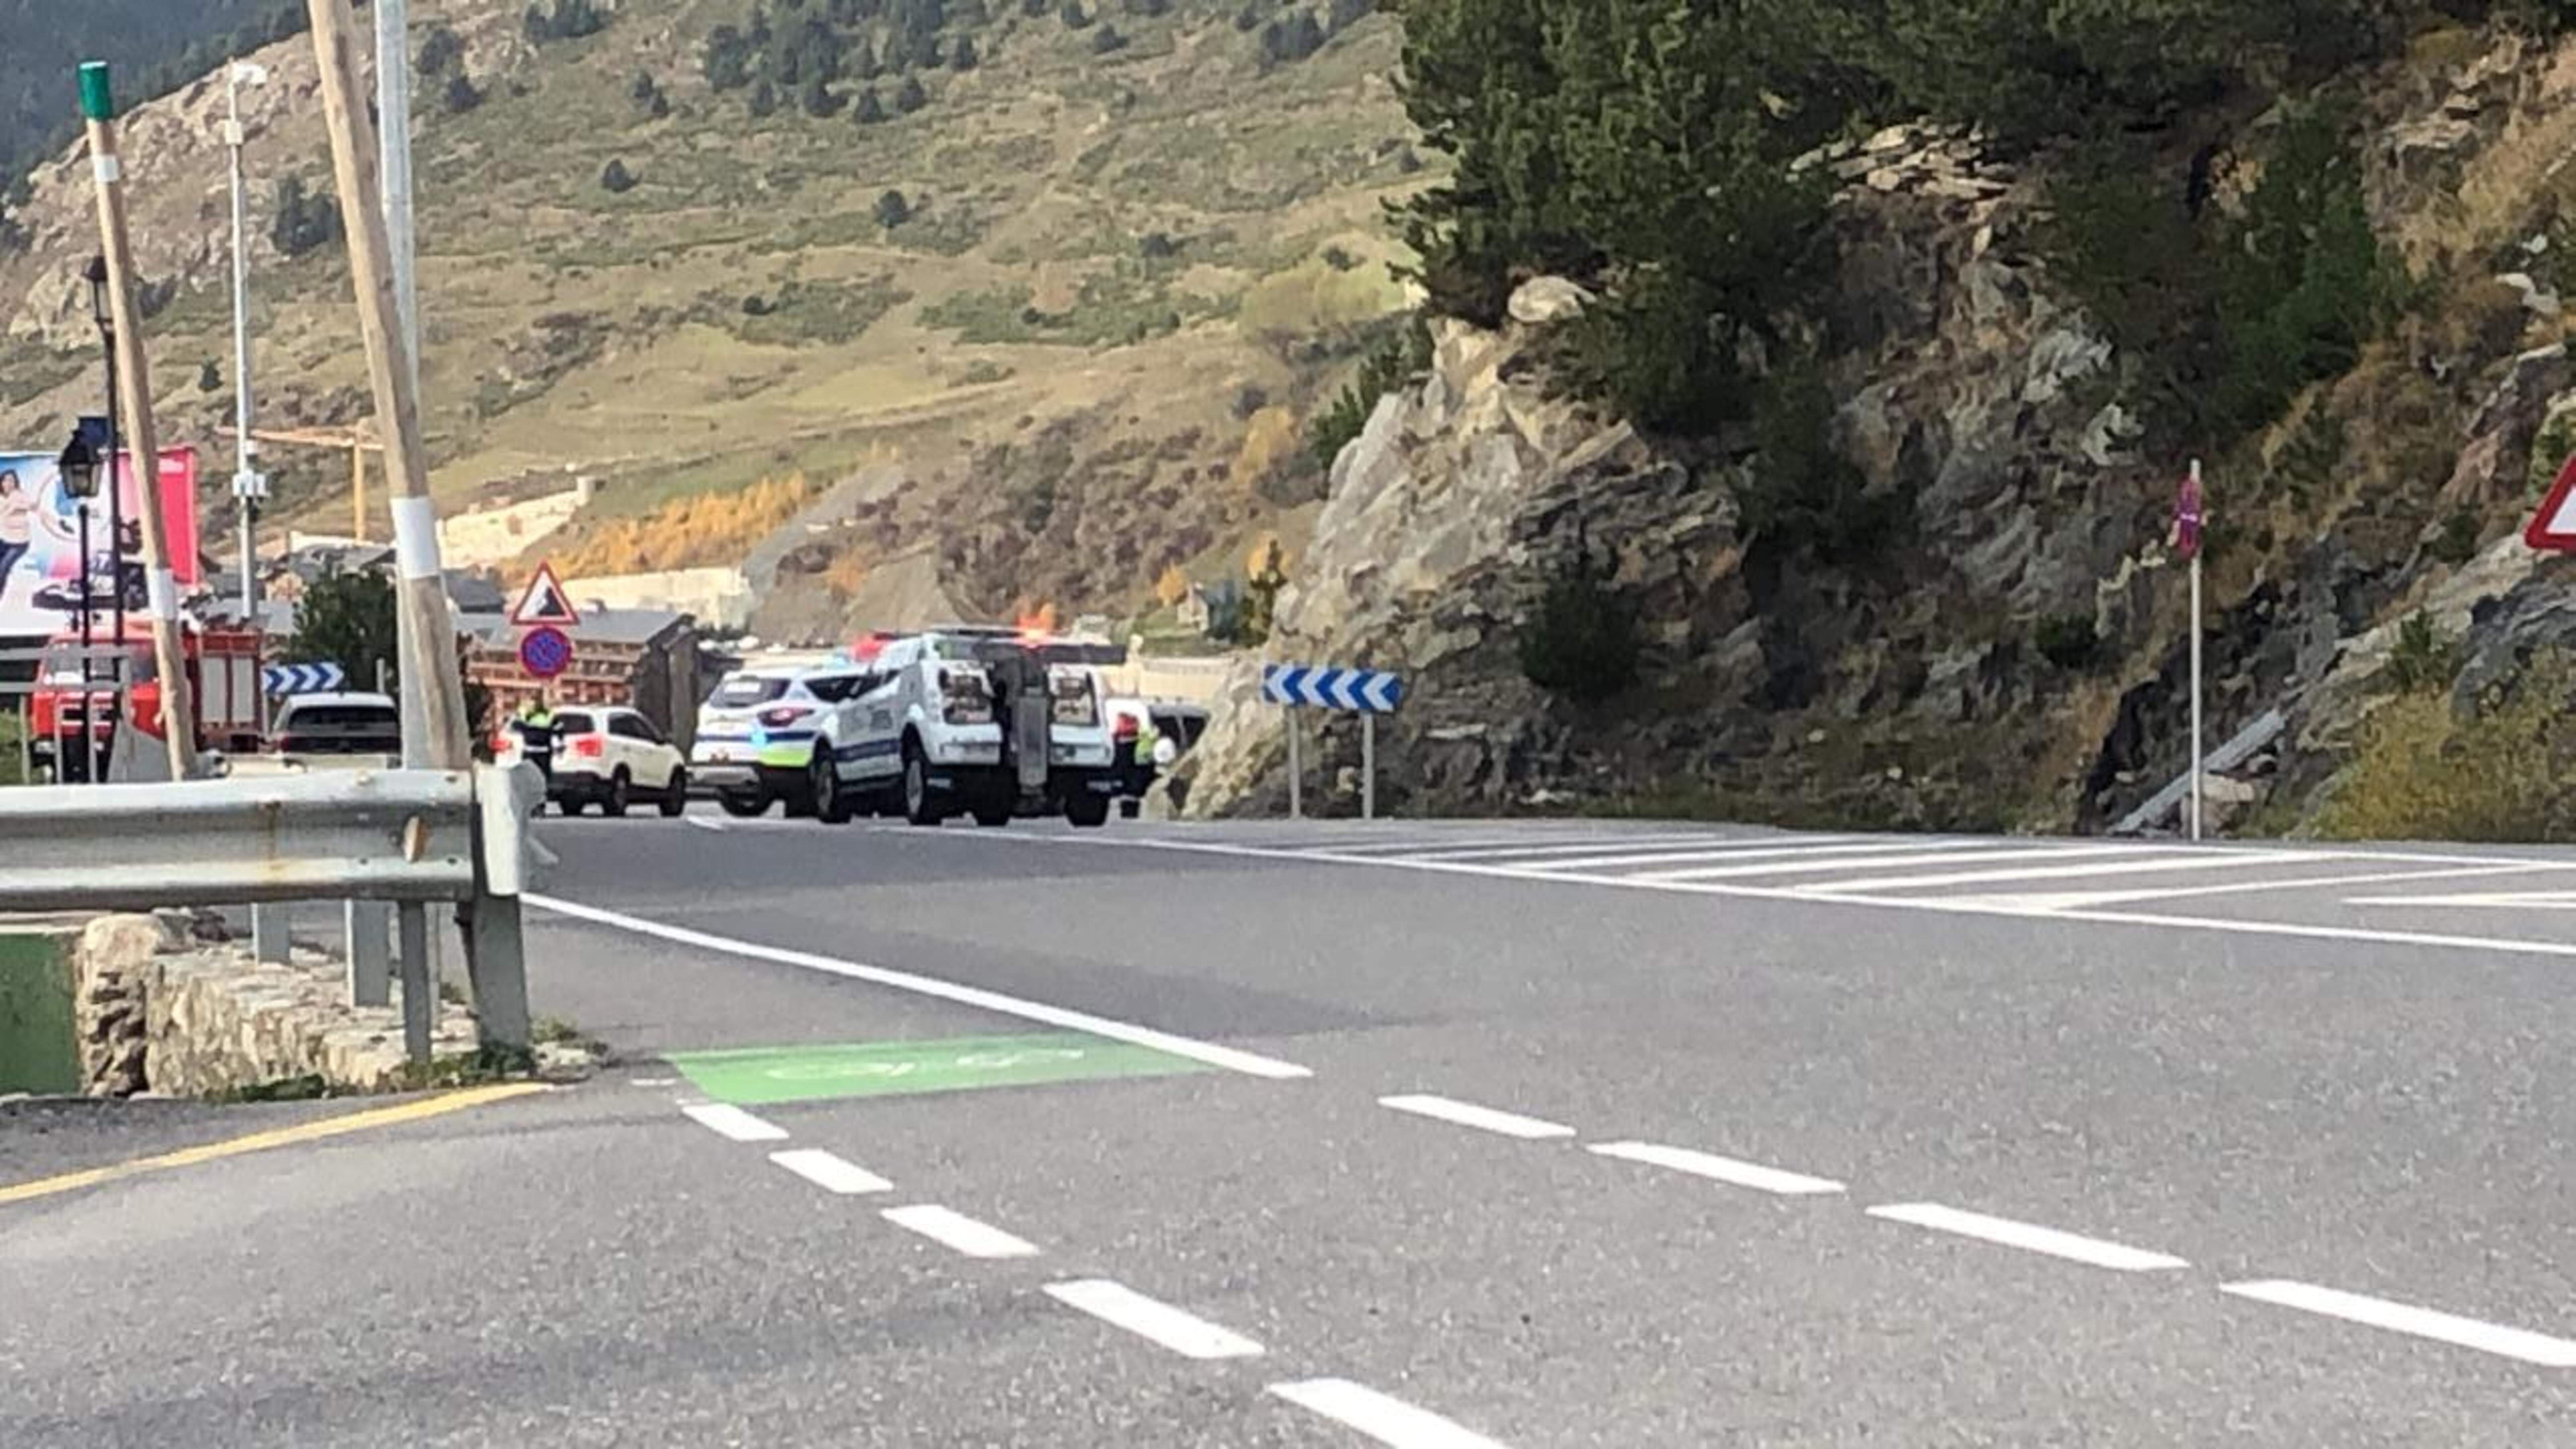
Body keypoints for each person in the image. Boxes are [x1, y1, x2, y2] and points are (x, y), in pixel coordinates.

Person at [0, 470, 30, 603]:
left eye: (12, 481)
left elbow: (34, 507)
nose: (9, 484)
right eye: (6, 481)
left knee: (3, 568)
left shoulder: (20, 496)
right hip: (4, 539)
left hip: (19, 542)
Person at [512, 694, 556, 781]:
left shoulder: (525, 714)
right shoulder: (548, 714)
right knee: (543, 776)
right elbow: (555, 728)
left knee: (529, 776)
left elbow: (516, 726)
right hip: (543, 751)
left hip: (531, 750)